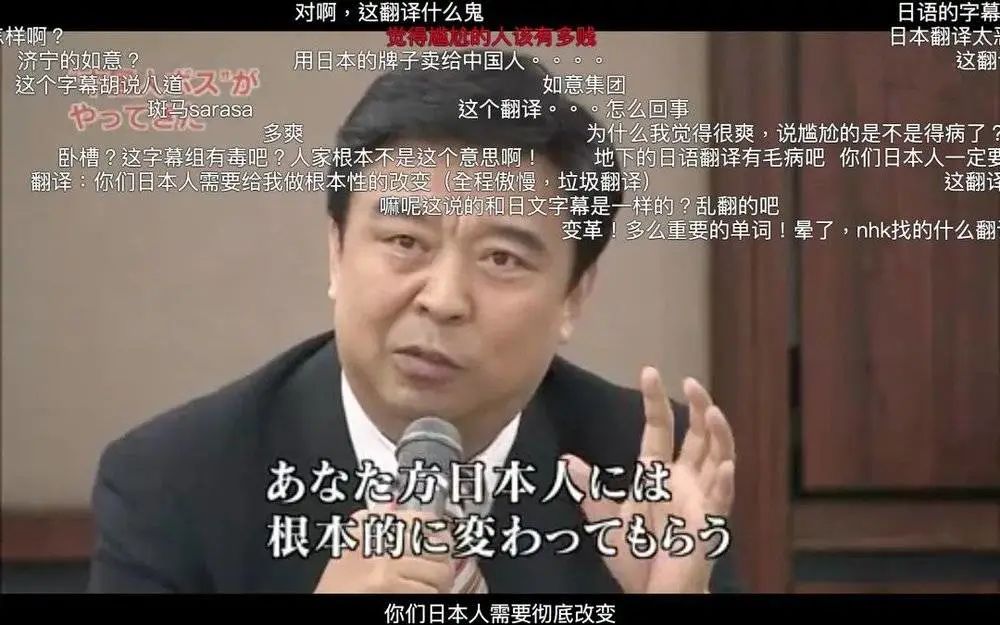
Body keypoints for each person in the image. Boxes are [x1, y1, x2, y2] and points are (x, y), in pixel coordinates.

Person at [87, 51, 740, 594]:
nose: (444, 298)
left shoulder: (648, 471)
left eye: (502, 258)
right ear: (337, 251)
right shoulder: (173, 482)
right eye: (405, 241)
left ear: (573, 295)